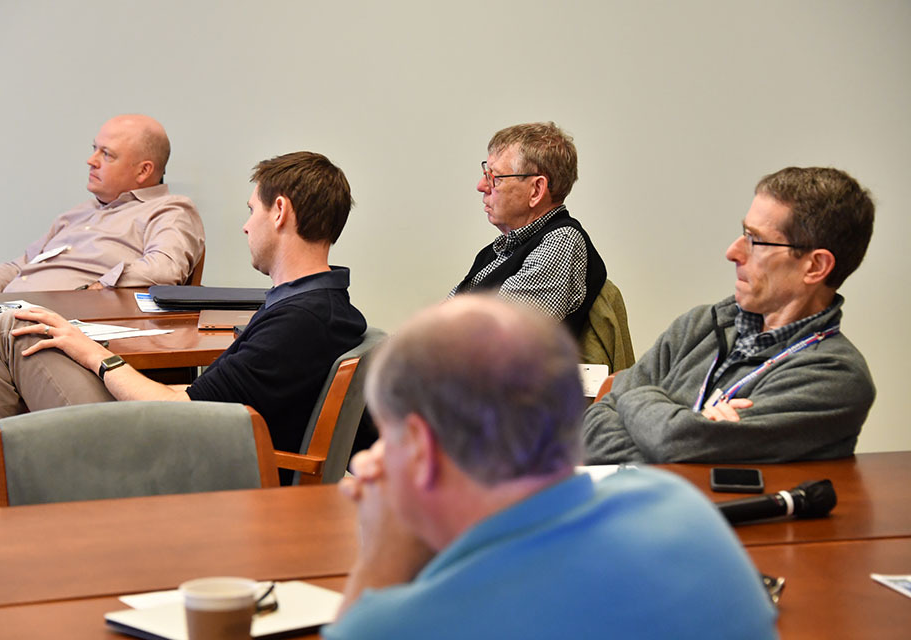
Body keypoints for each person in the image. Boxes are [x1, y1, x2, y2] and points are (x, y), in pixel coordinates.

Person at [0, 152, 366, 511]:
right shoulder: (321, 308)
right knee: (26, 332)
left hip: (177, 466)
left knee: (11, 331)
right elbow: (210, 399)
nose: (247, 225)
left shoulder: (300, 320)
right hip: (199, 446)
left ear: (280, 211)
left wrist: (97, 355)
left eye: (252, 210)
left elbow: (184, 409)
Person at [323, 295, 778, 639]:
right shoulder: (682, 506)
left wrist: (380, 557)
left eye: (388, 436)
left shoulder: (404, 624)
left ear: (421, 448)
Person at [584, 166, 875, 464]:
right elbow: (589, 437)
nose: (733, 252)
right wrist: (682, 425)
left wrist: (632, 395)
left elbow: (678, 444)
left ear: (815, 267)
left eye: (755, 239)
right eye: (743, 232)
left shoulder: (835, 376)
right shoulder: (698, 326)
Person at [0, 114, 204, 294]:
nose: (91, 161)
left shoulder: (170, 210)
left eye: (107, 154)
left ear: (143, 171)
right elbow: (20, 268)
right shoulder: (78, 214)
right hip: (7, 319)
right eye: (94, 149)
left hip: (73, 331)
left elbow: (164, 269)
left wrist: (96, 287)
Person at [450, 122, 606, 337]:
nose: (481, 186)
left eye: (494, 178)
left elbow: (493, 337)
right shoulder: (498, 251)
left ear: (536, 190)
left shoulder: (561, 242)